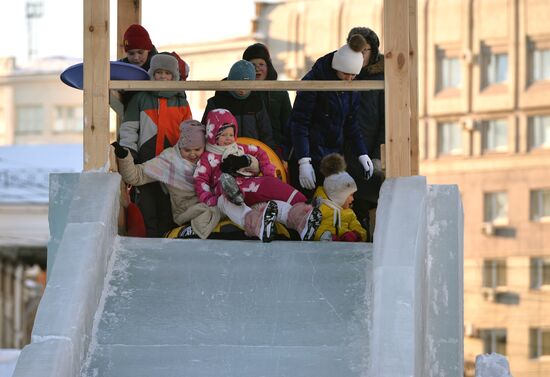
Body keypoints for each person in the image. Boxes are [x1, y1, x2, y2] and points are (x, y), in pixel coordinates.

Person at [194, 108, 322, 241]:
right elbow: (200, 181)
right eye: (223, 135)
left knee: (272, 204)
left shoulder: (239, 148)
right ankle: (258, 225)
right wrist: (209, 199)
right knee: (225, 200)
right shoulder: (207, 158)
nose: (228, 139)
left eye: (231, 135)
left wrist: (267, 172)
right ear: (212, 134)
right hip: (227, 195)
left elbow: (260, 152)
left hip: (249, 188)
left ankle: (301, 221)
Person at [287, 34, 374, 197]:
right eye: (345, 74)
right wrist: (304, 161)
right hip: (308, 154)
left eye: (353, 75)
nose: (349, 79)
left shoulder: (351, 88)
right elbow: (299, 123)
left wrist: (362, 153)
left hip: (333, 157)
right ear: (336, 67)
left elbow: (351, 124)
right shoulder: (314, 81)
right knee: (306, 202)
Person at [118, 53, 193, 237]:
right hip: (147, 162)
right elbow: (129, 128)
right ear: (152, 74)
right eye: (158, 72)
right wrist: (129, 152)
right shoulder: (140, 98)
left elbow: (189, 132)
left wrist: (188, 157)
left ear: (173, 76)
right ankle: (149, 244)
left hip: (172, 165)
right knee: (147, 207)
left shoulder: (181, 101)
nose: (162, 77)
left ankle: (168, 241)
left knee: (169, 207)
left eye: (167, 73)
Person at [112, 120, 221, 239]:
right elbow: (137, 176)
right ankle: (193, 230)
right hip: (187, 211)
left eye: (197, 149)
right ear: (180, 145)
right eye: (187, 150)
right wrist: (124, 157)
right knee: (210, 212)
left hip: (211, 202)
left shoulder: (210, 158)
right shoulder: (170, 160)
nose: (192, 154)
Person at [343, 27, 385, 236]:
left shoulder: (383, 78)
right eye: (355, 49)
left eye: (364, 50)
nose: (359, 55)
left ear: (373, 50)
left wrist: (377, 155)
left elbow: (387, 121)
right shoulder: (343, 74)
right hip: (345, 152)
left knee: (367, 205)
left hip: (368, 153)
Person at [201, 60, 275, 150]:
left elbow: (266, 133)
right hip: (221, 155)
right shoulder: (216, 103)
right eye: (238, 85)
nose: (242, 90)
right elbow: (206, 133)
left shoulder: (257, 102)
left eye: (247, 86)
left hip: (254, 154)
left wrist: (271, 155)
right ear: (230, 81)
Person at [242, 43, 292, 159]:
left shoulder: (279, 92)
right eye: (252, 65)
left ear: (268, 67)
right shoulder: (240, 91)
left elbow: (288, 123)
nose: (257, 68)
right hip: (247, 148)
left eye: (261, 64)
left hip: (275, 148)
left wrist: (286, 151)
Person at [313, 153, 367, 242]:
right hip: (323, 251)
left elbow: (359, 229)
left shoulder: (349, 213)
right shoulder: (319, 210)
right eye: (350, 195)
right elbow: (313, 230)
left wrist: (356, 235)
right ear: (338, 196)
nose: (353, 199)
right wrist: (326, 237)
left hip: (344, 250)